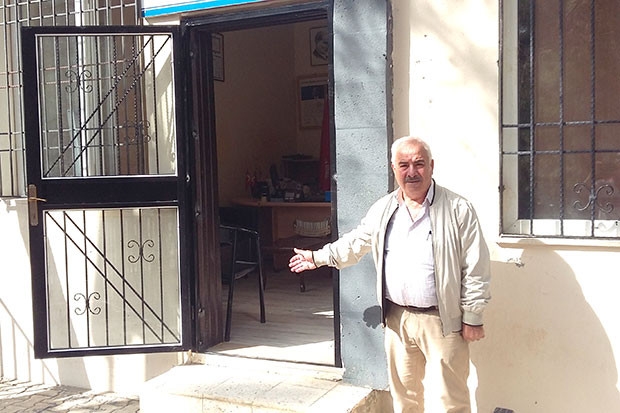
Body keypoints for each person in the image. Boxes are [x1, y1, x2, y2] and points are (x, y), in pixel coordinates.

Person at [289, 136, 491, 413]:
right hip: (397, 319)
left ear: (431, 166)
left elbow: (476, 266)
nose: (412, 172)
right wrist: (318, 258)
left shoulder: (457, 209)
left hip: (443, 320)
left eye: (419, 164)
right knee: (405, 399)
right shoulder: (384, 208)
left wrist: (473, 317)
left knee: (451, 402)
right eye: (404, 165)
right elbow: (356, 242)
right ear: (393, 168)